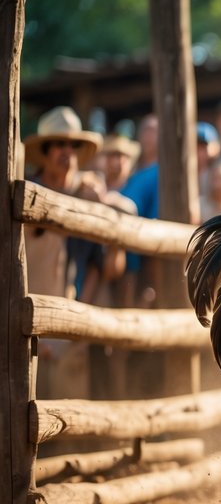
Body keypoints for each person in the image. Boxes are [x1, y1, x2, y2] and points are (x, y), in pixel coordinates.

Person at [23, 107, 114, 398]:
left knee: (69, 408)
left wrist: (77, 323)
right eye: (59, 144)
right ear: (45, 151)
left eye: (73, 145)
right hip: (25, 320)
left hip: (69, 326)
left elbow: (95, 266)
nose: (67, 151)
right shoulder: (24, 194)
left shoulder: (87, 197)